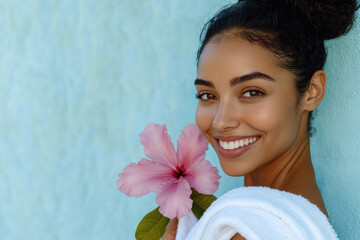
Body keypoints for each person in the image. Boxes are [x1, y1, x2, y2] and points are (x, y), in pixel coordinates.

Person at [163, 0, 358, 239]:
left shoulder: (248, 231)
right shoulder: (294, 221)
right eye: (207, 95)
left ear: (312, 91)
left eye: (252, 92)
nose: (220, 122)